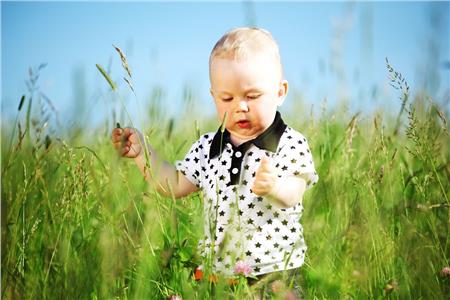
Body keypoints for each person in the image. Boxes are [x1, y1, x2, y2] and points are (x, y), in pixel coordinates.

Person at [111, 27, 318, 299]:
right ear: (213, 96)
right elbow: (173, 184)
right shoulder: (208, 147)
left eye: (252, 96)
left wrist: (275, 186)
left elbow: (294, 193)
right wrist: (142, 153)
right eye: (227, 98)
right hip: (217, 276)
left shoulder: (289, 143)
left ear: (280, 92)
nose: (239, 106)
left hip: (274, 275)